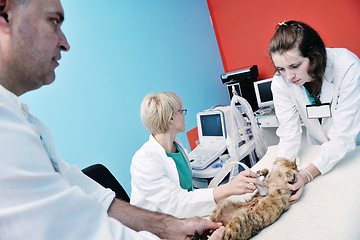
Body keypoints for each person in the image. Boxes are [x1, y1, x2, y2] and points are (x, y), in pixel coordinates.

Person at [0, 0, 225, 239]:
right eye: (53, 21)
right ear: (5, 15)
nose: (65, 43)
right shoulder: (7, 129)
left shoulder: (23, 118)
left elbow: (100, 200)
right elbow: (77, 230)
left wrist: (172, 228)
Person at [130, 92, 264, 218]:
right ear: (170, 118)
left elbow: (187, 193)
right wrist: (227, 188)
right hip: (158, 227)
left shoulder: (176, 145)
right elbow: (175, 204)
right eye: (181, 111)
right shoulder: (145, 160)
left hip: (184, 216)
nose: (183, 116)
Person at [268, 20, 360, 204]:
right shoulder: (281, 81)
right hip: (319, 147)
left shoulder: (347, 66)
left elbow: (343, 138)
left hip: (354, 147)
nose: (288, 76)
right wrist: (278, 168)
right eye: (281, 69)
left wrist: (306, 175)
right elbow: (288, 132)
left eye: (294, 66)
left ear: (314, 56)